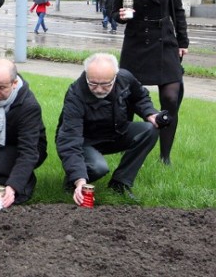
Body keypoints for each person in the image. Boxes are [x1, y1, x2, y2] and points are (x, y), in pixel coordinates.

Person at [112, 0, 188, 165]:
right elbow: (114, 14)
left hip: (165, 42)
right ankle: (130, 147)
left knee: (171, 97)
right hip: (136, 44)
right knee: (128, 99)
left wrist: (183, 41)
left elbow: (178, 10)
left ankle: (165, 157)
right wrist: (122, 16)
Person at [56, 53, 164, 205]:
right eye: (93, 83)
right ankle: (72, 182)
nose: (99, 89)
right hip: (85, 141)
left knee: (149, 130)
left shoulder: (125, 78)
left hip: (116, 133)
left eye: (106, 84)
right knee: (98, 168)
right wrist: (79, 179)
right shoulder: (75, 93)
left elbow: (140, 97)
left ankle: (120, 183)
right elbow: (70, 138)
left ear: (116, 76)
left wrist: (150, 113)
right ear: (87, 75)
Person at [0, 59, 47, 209]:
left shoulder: (29, 106)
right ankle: (4, 172)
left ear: (14, 83)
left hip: (25, 148)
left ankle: (24, 184)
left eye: (1, 88)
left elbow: (28, 152)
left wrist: (13, 186)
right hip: (1, 140)